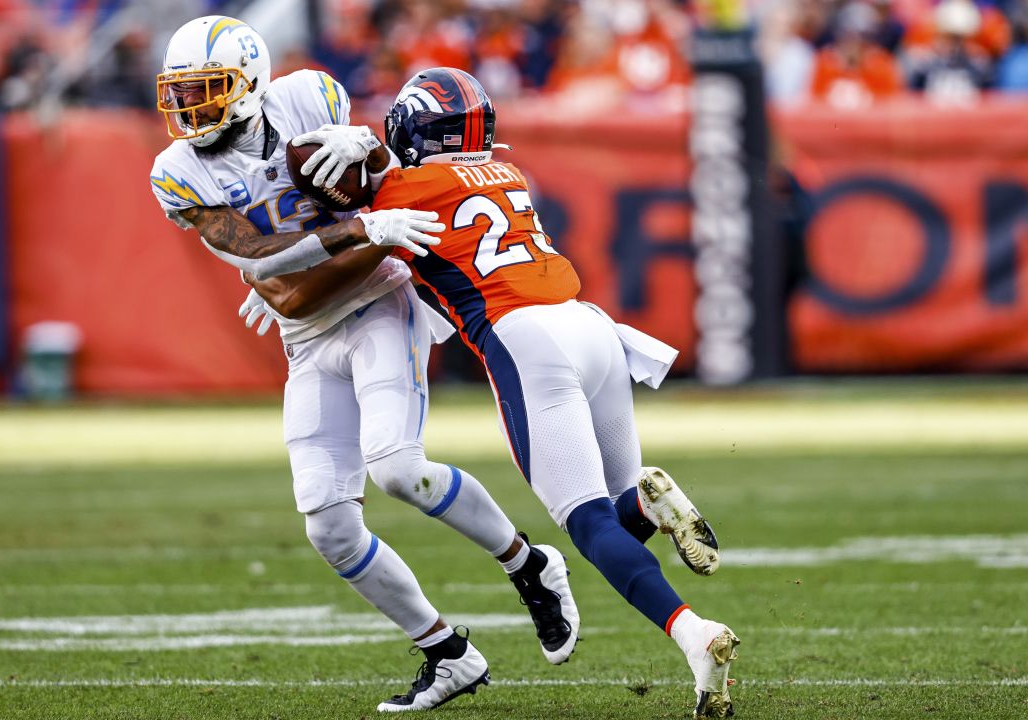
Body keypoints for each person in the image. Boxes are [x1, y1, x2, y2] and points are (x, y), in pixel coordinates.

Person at [248, 67, 740, 720]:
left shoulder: (401, 186)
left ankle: (691, 632)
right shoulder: (507, 176)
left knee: (590, 527)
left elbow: (339, 211)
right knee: (614, 517)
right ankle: (648, 512)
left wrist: (353, 155)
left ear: (414, 130)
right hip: (590, 327)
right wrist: (362, 146)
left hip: (528, 342)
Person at [147, 16, 578, 713]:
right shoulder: (177, 173)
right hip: (308, 333)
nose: (190, 108)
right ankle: (447, 653)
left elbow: (378, 182)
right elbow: (261, 260)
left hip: (379, 303)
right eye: (182, 93)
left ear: (251, 84)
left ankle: (529, 564)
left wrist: (371, 151)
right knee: (328, 524)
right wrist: (359, 230)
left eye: (208, 90)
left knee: (398, 467)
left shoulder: (310, 97)